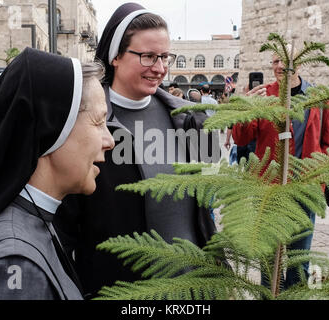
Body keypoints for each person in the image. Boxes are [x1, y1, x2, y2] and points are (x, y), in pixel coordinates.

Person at [54, 2, 218, 298]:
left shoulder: (190, 119)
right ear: (116, 55)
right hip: (118, 290)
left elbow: (206, 207)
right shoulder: (82, 124)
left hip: (192, 290)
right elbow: (63, 224)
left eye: (165, 57)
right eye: (148, 56)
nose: (160, 68)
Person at [0, 48, 115, 300]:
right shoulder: (13, 269)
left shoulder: (31, 221)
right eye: (99, 122)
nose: (109, 140)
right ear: (52, 129)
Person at [232, 52, 329, 289]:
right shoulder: (264, 95)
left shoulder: (321, 98)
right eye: (275, 62)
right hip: (269, 190)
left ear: (298, 63)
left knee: (299, 260)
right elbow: (241, 137)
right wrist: (248, 107)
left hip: (304, 189)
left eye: (285, 61)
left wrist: (321, 181)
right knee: (269, 261)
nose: (280, 66)